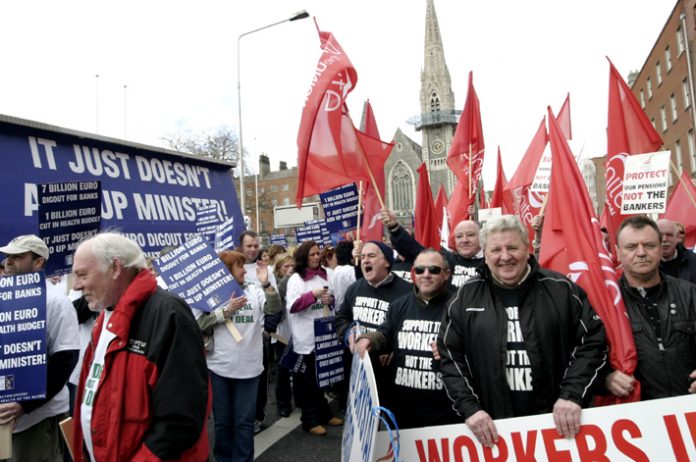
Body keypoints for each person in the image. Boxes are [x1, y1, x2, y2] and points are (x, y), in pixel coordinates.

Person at [438, 215, 607, 448]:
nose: (505, 256)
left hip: (560, 426)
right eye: (496, 249)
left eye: (512, 247)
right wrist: (470, 409)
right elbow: (449, 357)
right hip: (493, 430)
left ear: (527, 249)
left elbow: (593, 343)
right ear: (485, 255)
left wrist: (571, 394)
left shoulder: (562, 290)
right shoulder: (464, 297)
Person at [70, 232, 209, 461]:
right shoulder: (106, 314)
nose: (76, 285)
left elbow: (179, 421)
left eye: (82, 274)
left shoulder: (168, 313)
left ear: (115, 268)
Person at [355, 249, 459, 429]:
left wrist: (453, 347)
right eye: (420, 270)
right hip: (402, 412)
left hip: (445, 413)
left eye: (433, 270)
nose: (426, 275)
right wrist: (367, 339)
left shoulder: (458, 307)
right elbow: (385, 333)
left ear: (446, 274)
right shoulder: (398, 305)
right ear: (413, 273)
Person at [193, 250, 281, 462]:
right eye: (239, 266)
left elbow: (274, 308)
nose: (244, 270)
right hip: (219, 368)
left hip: (249, 369)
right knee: (223, 422)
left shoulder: (254, 289)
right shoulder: (212, 294)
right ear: (227, 271)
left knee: (244, 422)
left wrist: (267, 284)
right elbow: (197, 325)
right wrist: (224, 312)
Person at [0, 235, 79, 462]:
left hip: (36, 420)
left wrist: (24, 404)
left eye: (18, 256)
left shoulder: (56, 301)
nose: (8, 261)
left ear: (39, 262)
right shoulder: (3, 296)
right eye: (8, 256)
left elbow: (65, 360)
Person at [604, 216, 696, 400]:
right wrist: (606, 378)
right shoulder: (608, 304)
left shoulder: (690, 294)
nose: (641, 253)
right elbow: (588, 355)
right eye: (631, 247)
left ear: (661, 248)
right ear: (618, 251)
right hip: (638, 417)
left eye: (649, 245)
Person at [334, 241, 412, 408]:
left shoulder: (406, 291)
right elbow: (341, 318)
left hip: (391, 375)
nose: (365, 260)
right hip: (360, 370)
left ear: (387, 262)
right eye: (362, 257)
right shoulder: (354, 288)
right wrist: (348, 334)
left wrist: (395, 348)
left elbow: (412, 328)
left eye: (371, 256)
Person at [286, 241, 343, 436]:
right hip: (305, 338)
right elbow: (292, 306)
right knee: (307, 383)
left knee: (322, 379)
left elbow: (333, 299)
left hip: (324, 335)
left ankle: (324, 413)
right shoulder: (296, 279)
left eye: (318, 253)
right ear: (304, 256)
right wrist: (312, 295)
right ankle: (309, 420)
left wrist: (330, 300)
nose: (317, 257)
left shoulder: (326, 274)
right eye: (312, 254)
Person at [380, 207, 483, 289]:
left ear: (481, 237)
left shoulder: (490, 263)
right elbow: (412, 249)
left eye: (470, 235)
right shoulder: (445, 259)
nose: (464, 240)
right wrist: (394, 227)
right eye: (459, 236)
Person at [236, 230, 276, 432]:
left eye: (255, 245)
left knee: (259, 379)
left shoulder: (265, 269)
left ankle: (256, 417)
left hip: (259, 335)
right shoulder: (232, 266)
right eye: (249, 245)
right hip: (234, 335)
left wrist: (268, 329)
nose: (253, 249)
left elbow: (274, 301)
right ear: (240, 246)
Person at [268, 252, 295, 418]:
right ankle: (283, 404)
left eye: (293, 266)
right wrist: (287, 278)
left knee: (299, 366)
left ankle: (300, 399)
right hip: (281, 331)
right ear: (279, 269)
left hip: (296, 328)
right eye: (286, 267)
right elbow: (276, 296)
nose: (290, 269)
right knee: (283, 367)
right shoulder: (275, 282)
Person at [657, 218, 696, 284]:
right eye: (660, 235)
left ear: (678, 237)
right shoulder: (643, 263)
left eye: (669, 235)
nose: (664, 239)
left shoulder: (693, 261)